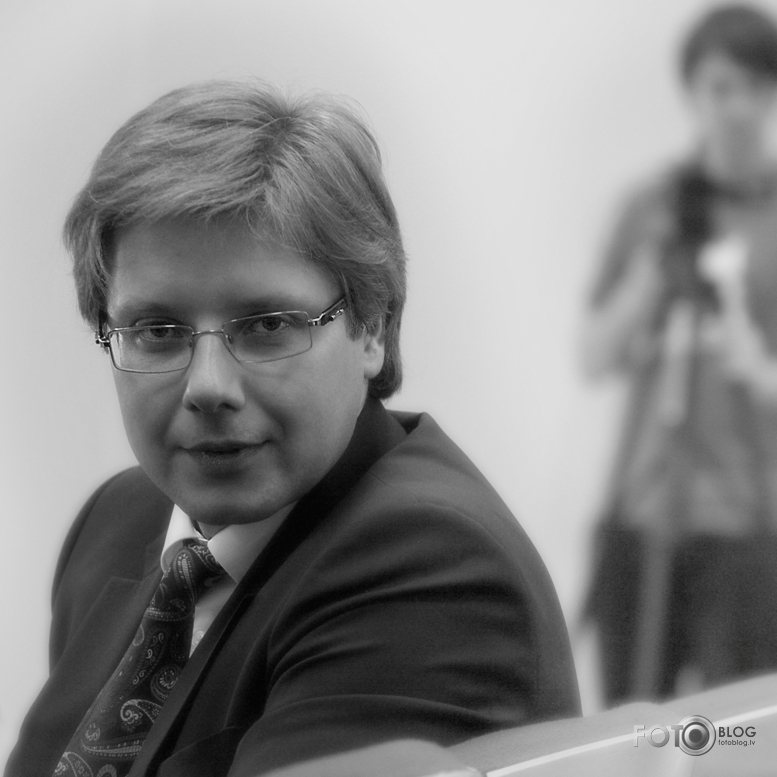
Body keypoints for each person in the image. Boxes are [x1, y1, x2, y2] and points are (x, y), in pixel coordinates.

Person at [5, 80, 580, 777]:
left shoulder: (434, 568)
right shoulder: (116, 520)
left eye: (268, 325)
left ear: (372, 327)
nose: (208, 386)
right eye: (157, 330)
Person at [583, 4, 777, 705]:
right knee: (637, 728)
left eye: (754, 86)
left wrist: (759, 370)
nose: (737, 108)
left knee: (738, 737)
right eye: (720, 87)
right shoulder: (652, 207)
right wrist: (647, 280)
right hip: (643, 514)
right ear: (692, 93)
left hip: (748, 521)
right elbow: (594, 357)